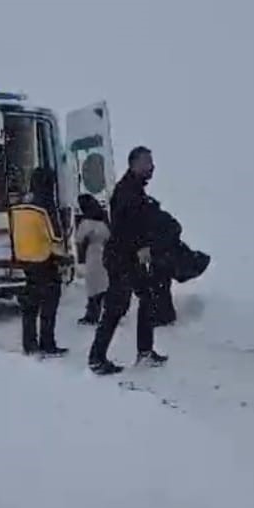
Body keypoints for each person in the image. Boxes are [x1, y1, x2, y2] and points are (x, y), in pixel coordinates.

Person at [88, 146, 168, 375]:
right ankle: (96, 358)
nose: (152, 167)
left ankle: (145, 351)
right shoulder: (126, 191)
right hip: (121, 258)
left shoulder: (135, 189)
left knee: (148, 297)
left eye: (152, 162)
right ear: (134, 164)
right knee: (115, 308)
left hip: (131, 257)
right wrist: (141, 246)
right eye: (147, 162)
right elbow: (126, 226)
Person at [9, 168, 68, 357]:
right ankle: (47, 343)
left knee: (29, 306)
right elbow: (56, 237)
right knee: (49, 305)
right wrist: (63, 257)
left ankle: (29, 344)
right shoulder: (45, 206)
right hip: (44, 261)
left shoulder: (18, 205)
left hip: (23, 261)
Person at [75, 194, 110, 325]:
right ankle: (107, 312)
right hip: (104, 253)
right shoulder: (103, 221)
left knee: (93, 287)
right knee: (103, 285)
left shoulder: (86, 223)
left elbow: (79, 239)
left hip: (92, 254)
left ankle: (92, 315)